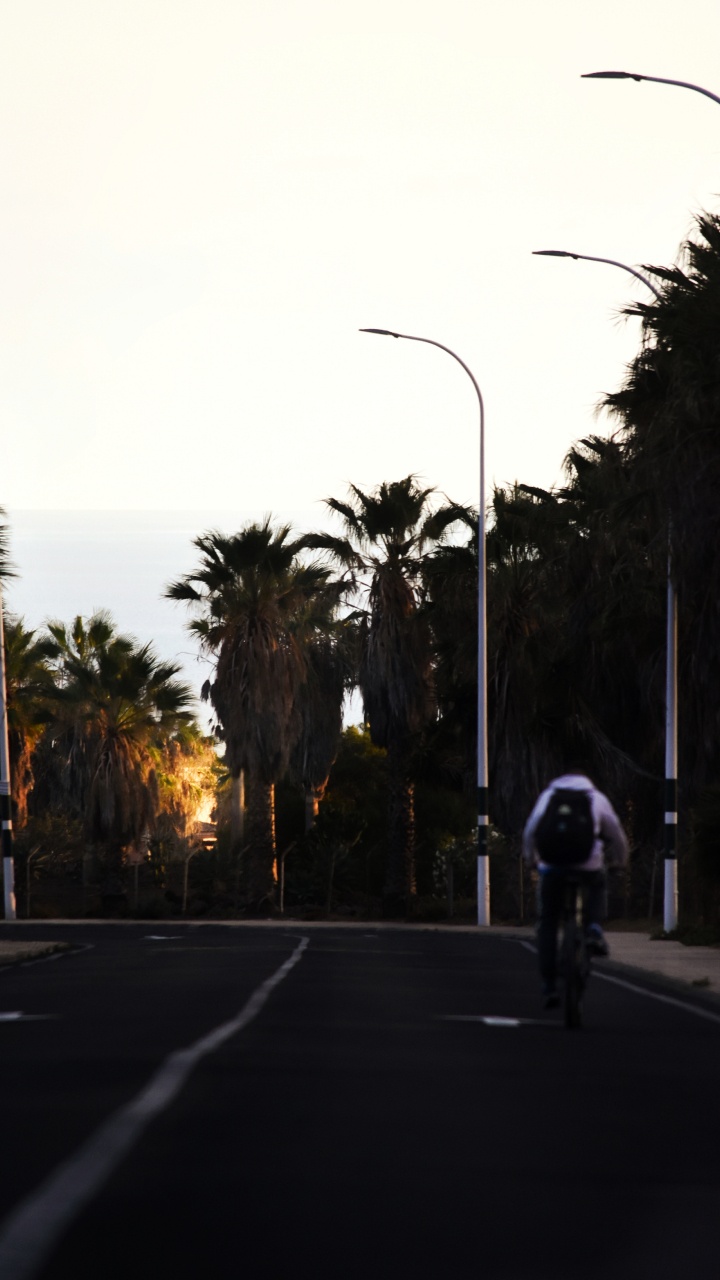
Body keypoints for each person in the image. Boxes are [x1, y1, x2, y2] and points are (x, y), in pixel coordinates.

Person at [523, 768, 629, 1008]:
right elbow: (617, 833)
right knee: (597, 882)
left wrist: (531, 859)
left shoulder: (549, 796)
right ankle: (593, 928)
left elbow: (530, 829)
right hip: (587, 864)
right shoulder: (596, 797)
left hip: (552, 866)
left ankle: (549, 985)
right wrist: (621, 861)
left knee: (548, 922)